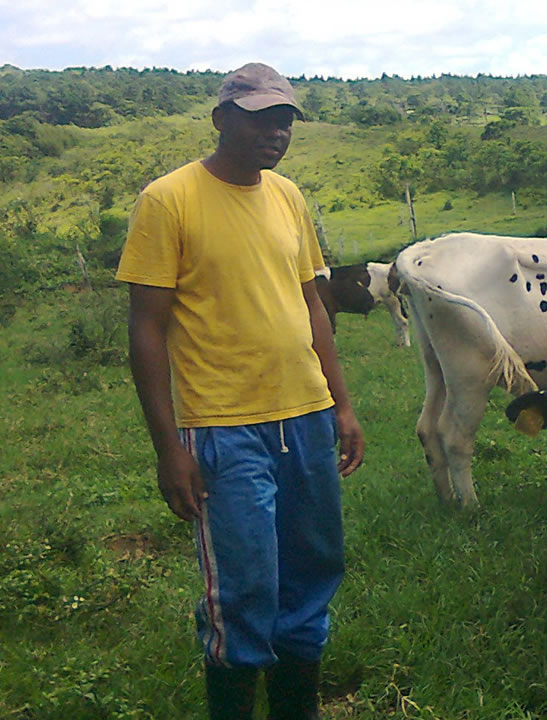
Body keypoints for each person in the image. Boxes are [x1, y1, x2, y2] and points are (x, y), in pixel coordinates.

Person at [116, 62, 364, 719]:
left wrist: (341, 402)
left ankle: (296, 709)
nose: (274, 132)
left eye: (284, 119)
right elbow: (147, 328)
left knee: (313, 571)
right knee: (246, 588)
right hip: (224, 427)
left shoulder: (287, 197)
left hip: (306, 416)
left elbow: (313, 302)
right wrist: (169, 448)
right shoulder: (168, 199)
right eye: (259, 116)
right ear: (222, 116)